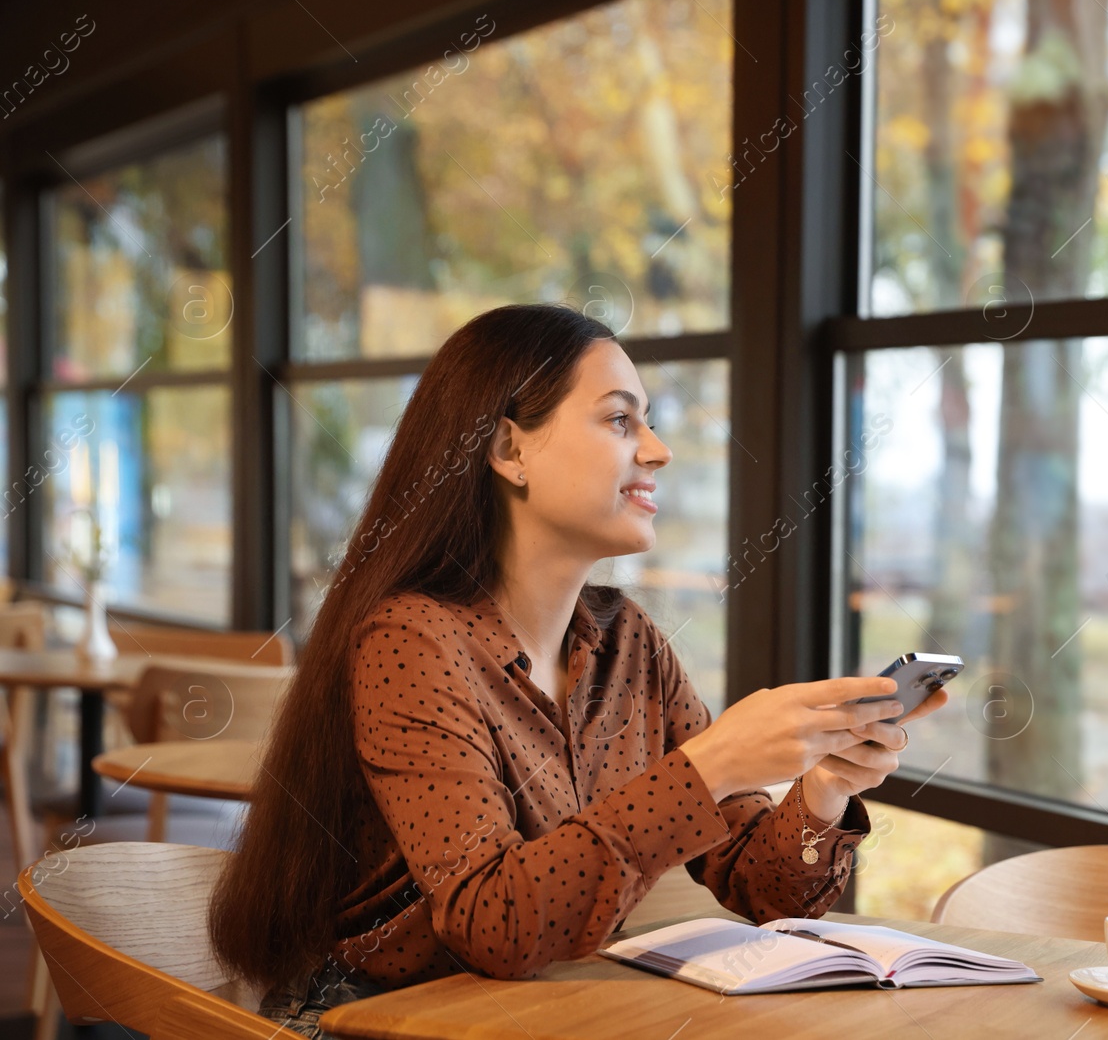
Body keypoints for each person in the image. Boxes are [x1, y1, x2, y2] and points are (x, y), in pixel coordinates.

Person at [207, 304, 948, 1037]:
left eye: (648, 421)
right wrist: (709, 764)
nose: (657, 450)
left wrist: (823, 790)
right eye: (621, 420)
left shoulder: (629, 643)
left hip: (536, 1013)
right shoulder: (412, 641)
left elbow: (763, 884)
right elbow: (490, 923)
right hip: (373, 1020)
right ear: (509, 450)